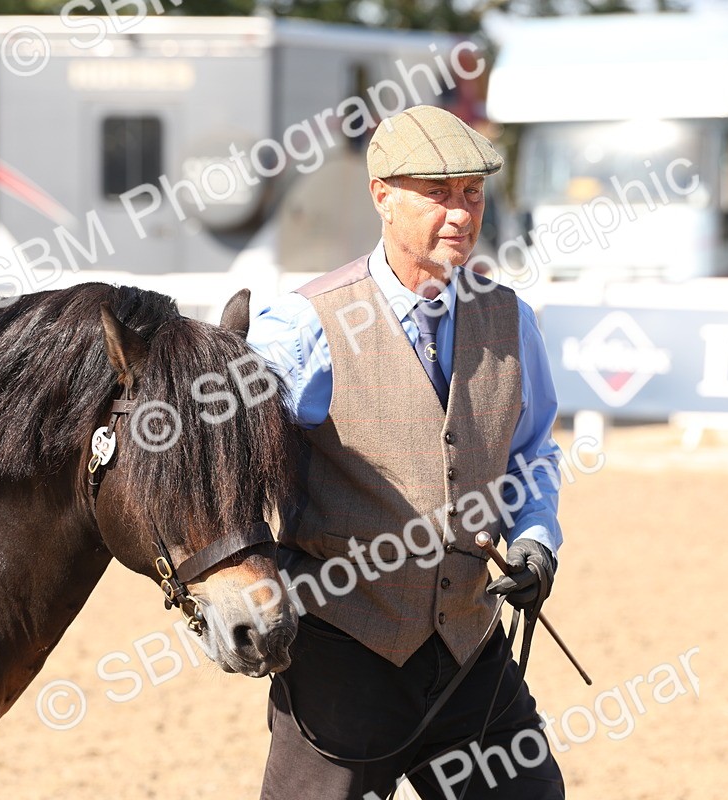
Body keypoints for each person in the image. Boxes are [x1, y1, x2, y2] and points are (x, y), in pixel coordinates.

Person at [248, 104, 566, 800]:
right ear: (382, 196)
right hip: (342, 653)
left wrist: (537, 541)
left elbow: (533, 455)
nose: (460, 213)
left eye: (472, 194)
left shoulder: (509, 317)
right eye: (438, 193)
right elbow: (229, 463)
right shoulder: (305, 324)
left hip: (466, 651)